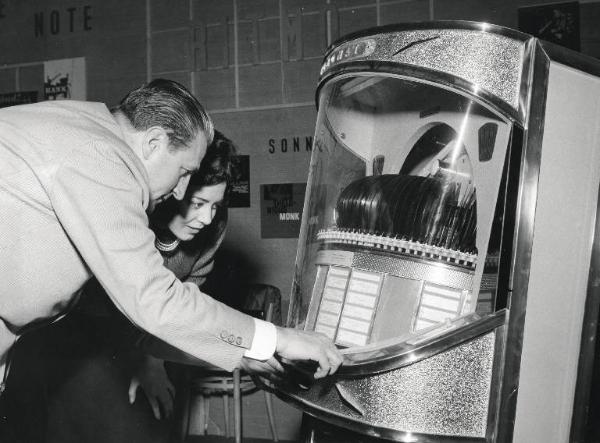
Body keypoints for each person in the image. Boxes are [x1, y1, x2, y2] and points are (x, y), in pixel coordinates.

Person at [0, 79, 343, 438]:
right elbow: (153, 299)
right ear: (153, 142)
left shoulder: (81, 125)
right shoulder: (103, 158)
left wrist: (243, 352)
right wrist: (279, 338)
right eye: (183, 172)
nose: (181, 190)